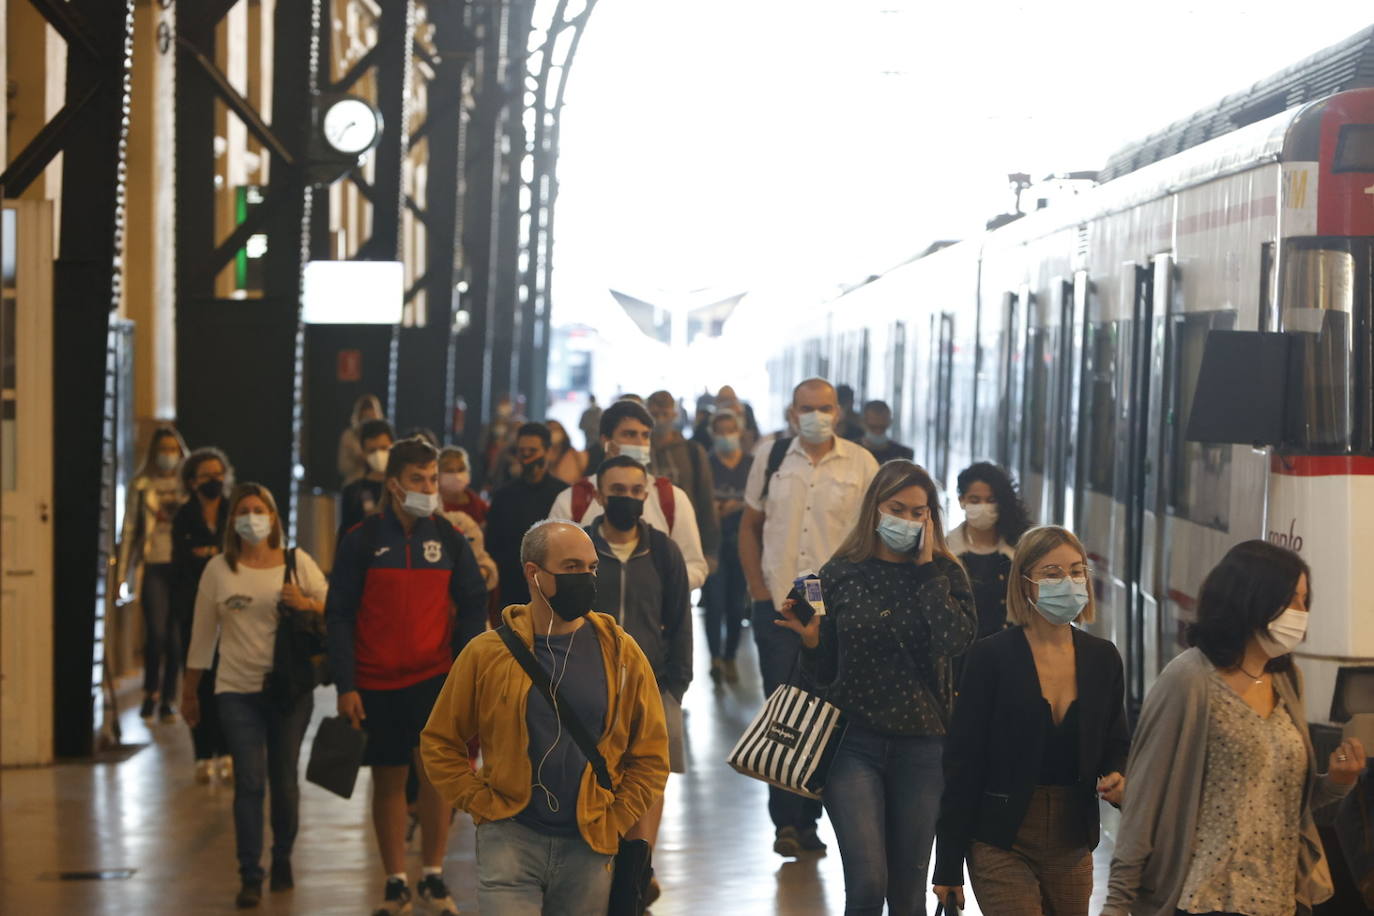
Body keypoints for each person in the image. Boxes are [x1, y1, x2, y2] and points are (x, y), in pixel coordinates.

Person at [1103, 540, 1367, 916]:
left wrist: (1338, 782)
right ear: (1252, 599)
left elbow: (1282, 803)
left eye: (1305, 601)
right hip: (1205, 898)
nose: (1302, 612)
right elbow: (1145, 803)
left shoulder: (1288, 680)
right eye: (1292, 599)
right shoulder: (1190, 680)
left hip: (1279, 899)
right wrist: (1116, 903)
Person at [420, 521, 670, 914]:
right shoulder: (487, 654)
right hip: (510, 837)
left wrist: (617, 817)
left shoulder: (622, 653)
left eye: (591, 568)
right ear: (533, 573)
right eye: (571, 567)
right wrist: (477, 801)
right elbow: (440, 740)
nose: (585, 578)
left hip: (590, 841)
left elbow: (652, 753)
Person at [774, 459, 977, 915]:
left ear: (931, 517)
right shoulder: (838, 573)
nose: (906, 520)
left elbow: (955, 642)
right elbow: (820, 677)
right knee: (868, 882)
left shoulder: (947, 575)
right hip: (852, 745)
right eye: (896, 508)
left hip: (923, 748)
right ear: (874, 509)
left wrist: (926, 572)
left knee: (907, 894)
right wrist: (810, 643)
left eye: (918, 512)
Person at [326, 436, 489, 916]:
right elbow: (338, 615)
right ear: (394, 485)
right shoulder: (361, 540)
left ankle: (433, 875)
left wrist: (464, 669)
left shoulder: (449, 537)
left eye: (433, 479)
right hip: (375, 681)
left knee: (437, 778)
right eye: (418, 479)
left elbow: (474, 602)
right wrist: (345, 684)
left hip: (434, 676)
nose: (428, 487)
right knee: (389, 778)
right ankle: (396, 879)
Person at [932, 525, 1130, 916]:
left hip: (1072, 836)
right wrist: (948, 866)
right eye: (1052, 573)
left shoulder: (1102, 658)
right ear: (1025, 584)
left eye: (1076, 571)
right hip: (1000, 835)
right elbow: (963, 763)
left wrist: (1117, 775)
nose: (1068, 582)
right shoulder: (991, 657)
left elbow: (1115, 742)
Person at [740, 377, 879, 856]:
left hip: (835, 612)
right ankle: (785, 823)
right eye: (806, 408)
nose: (815, 415)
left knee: (825, 713)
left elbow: (871, 538)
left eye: (824, 407)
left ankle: (812, 819)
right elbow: (750, 524)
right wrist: (759, 591)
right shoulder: (772, 457)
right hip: (779, 607)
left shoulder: (862, 464)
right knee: (782, 712)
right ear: (791, 411)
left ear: (837, 411)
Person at [183, 483, 328, 909]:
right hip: (235, 692)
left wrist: (304, 602)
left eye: (259, 509)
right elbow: (202, 636)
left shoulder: (296, 562)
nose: (251, 517)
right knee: (248, 781)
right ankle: (250, 871)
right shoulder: (218, 570)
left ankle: (281, 854)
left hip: (288, 691)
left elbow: (334, 607)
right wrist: (190, 691)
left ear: (273, 517)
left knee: (283, 780)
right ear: (232, 521)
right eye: (243, 510)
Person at [583, 455, 692, 904]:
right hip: (589, 688)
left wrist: (676, 687)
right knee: (597, 784)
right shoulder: (582, 547)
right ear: (597, 494)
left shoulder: (664, 551)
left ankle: (636, 874)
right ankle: (599, 875)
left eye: (634, 490)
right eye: (616, 490)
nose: (625, 498)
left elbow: (681, 620)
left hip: (653, 687)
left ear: (645, 494)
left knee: (649, 783)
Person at [549, 399, 709, 590]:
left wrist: (659, 587)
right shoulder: (572, 500)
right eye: (630, 434)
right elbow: (551, 563)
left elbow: (695, 566)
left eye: (645, 436)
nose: (640, 443)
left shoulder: (672, 499)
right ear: (606, 442)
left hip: (655, 617)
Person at [118, 424, 189, 723]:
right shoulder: (141, 485)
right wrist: (122, 574)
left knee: (175, 638)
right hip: (154, 565)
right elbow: (131, 529)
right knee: (156, 634)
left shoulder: (189, 485)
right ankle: (151, 692)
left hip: (181, 567)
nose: (168, 456)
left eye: (173, 450)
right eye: (163, 450)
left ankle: (169, 698)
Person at [171, 446, 234, 783]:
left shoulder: (233, 513)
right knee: (198, 684)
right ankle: (202, 752)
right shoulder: (183, 517)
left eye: (218, 473)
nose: (215, 480)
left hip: (230, 613)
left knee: (223, 685)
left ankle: (225, 750)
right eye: (207, 475)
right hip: (194, 612)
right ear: (193, 481)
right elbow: (182, 566)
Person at [487, 423, 570, 608]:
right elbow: (492, 545)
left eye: (532, 450)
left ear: (548, 451)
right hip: (511, 591)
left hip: (552, 590)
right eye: (521, 451)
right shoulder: (503, 496)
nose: (526, 457)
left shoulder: (563, 495)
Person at [946, 462, 1033, 640]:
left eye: (991, 500)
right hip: (963, 654)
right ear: (961, 501)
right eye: (975, 500)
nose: (983, 507)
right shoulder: (946, 550)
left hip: (1009, 648)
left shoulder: (1020, 548)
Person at [703, 409, 752, 684]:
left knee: (736, 605)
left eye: (730, 430)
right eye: (720, 431)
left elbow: (760, 503)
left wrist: (735, 505)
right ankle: (714, 659)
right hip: (714, 544)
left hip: (743, 544)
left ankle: (731, 656)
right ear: (712, 433)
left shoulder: (751, 464)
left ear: (739, 431)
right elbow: (703, 505)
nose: (726, 436)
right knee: (715, 604)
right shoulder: (707, 464)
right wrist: (721, 509)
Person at [647, 389, 720, 571]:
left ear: (674, 414)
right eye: (655, 414)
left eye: (665, 414)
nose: (660, 419)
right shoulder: (640, 452)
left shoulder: (692, 451)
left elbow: (705, 499)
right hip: (646, 536)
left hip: (684, 536)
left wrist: (710, 550)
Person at [337, 418, 394, 538]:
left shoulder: (400, 488)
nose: (378, 455)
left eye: (384, 448)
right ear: (363, 452)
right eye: (372, 450)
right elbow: (344, 535)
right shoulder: (352, 491)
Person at [339, 394, 384, 487]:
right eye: (366, 417)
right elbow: (343, 467)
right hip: (355, 485)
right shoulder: (349, 436)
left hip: (378, 485)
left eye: (372, 416)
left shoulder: (383, 436)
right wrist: (358, 460)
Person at [437, 445, 488, 528]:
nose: (457, 476)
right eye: (450, 471)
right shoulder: (433, 506)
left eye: (461, 470)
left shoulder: (475, 500)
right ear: (438, 475)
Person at [545, 419, 588, 486]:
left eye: (556, 429)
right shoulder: (543, 456)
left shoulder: (577, 455)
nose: (553, 433)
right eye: (550, 430)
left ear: (563, 431)